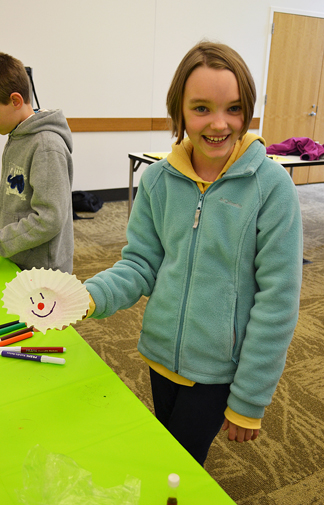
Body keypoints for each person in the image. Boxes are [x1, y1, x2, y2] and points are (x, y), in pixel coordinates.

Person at [83, 41, 303, 465]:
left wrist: (249, 399)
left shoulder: (272, 188)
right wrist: (89, 296)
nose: (219, 123)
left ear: (247, 111)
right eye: (201, 108)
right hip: (160, 354)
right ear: (179, 112)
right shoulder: (158, 181)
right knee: (166, 451)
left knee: (176, 466)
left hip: (217, 371)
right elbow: (141, 263)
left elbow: (278, 302)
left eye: (234, 109)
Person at [0, 52, 74, 273]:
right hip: (19, 258)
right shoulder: (18, 136)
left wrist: (2, 241)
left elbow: (49, 219)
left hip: (44, 270)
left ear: (15, 100)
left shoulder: (45, 145)